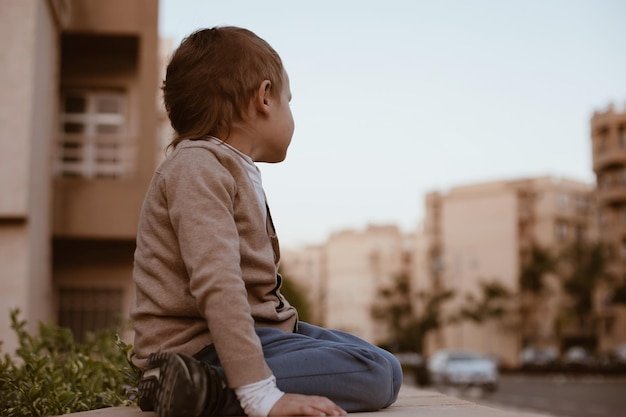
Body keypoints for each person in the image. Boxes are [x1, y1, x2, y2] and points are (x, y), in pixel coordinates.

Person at [131, 26, 402, 417]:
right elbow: (217, 281)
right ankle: (201, 387)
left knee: (384, 364)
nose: (291, 112)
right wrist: (260, 394)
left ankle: (214, 382)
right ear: (264, 97)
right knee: (375, 374)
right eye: (288, 100)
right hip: (200, 347)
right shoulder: (197, 167)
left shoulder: (227, 166)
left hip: (266, 331)